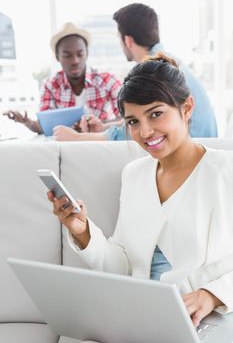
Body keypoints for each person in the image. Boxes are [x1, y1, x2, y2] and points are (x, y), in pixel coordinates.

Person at [47, 53, 233, 343]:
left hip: (205, 319)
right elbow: (122, 264)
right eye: (133, 121)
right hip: (143, 318)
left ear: (186, 108)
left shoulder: (225, 171)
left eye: (156, 114)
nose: (144, 132)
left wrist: (212, 294)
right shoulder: (134, 174)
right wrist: (82, 231)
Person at [53, 3, 218, 142]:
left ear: (127, 40)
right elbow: (143, 118)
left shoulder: (153, 70)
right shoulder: (168, 62)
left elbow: (145, 128)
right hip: (202, 145)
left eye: (119, 38)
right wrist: (104, 127)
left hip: (190, 148)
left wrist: (76, 138)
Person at [3, 22, 122, 134]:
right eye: (67, 55)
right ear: (57, 57)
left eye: (80, 54)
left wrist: (100, 125)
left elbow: (127, 118)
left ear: (87, 53)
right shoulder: (50, 85)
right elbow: (44, 127)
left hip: (100, 146)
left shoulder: (107, 80)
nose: (75, 61)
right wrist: (27, 122)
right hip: (65, 150)